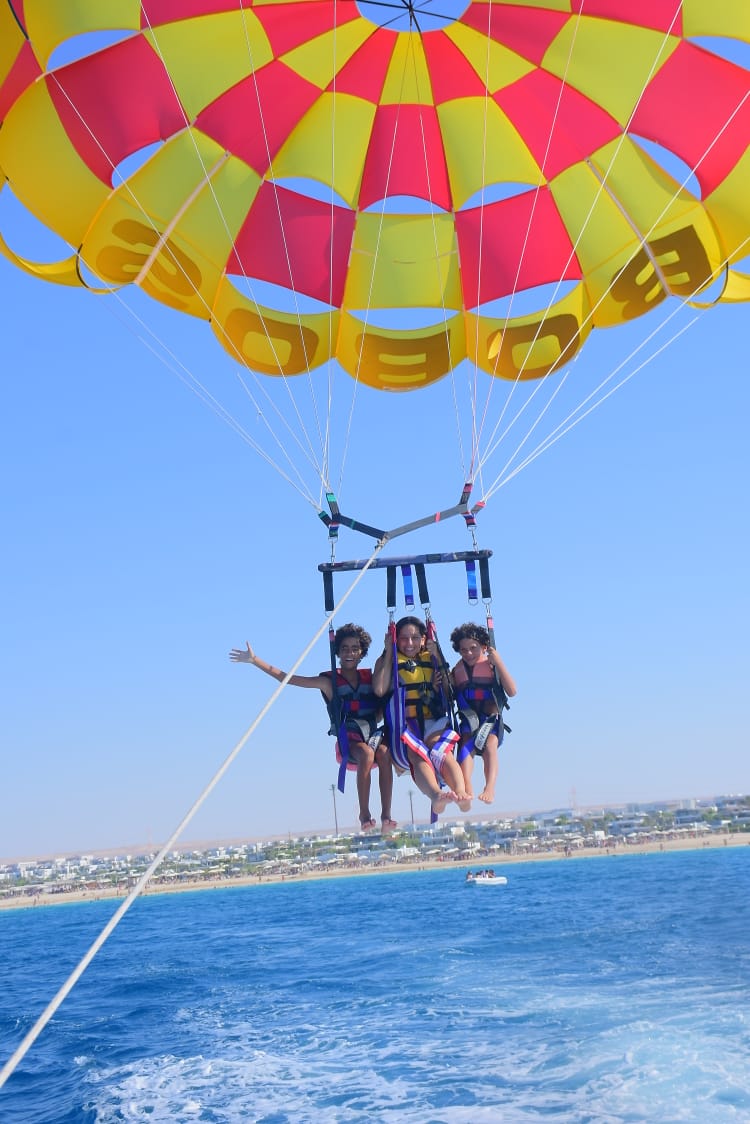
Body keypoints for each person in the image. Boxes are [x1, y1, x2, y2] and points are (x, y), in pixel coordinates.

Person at [229, 624, 395, 832]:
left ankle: (386, 815)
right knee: (366, 753)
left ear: (362, 653)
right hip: (349, 741)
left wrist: (389, 647)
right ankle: (364, 814)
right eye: (344, 648)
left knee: (384, 753)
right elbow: (287, 678)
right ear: (338, 652)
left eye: (354, 648)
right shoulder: (328, 682)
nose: (349, 653)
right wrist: (255, 661)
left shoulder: (370, 679)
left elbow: (387, 674)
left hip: (371, 734)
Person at [372, 615, 471, 816]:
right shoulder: (387, 661)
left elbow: (449, 690)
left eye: (415, 637)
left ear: (424, 639)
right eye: (403, 638)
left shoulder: (431, 657)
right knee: (417, 756)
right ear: (395, 639)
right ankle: (436, 795)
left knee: (441, 751)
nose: (410, 643)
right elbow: (380, 689)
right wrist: (389, 652)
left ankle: (460, 792)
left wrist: (439, 659)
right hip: (406, 727)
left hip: (433, 719)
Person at [449, 622, 517, 805]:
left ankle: (490, 787)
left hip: (490, 721)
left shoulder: (492, 666)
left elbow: (512, 691)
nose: (469, 653)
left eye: (473, 648)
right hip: (468, 721)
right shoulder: (456, 671)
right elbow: (449, 695)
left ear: (484, 647)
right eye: (463, 650)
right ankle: (467, 786)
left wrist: (499, 661)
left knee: (490, 746)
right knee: (464, 746)